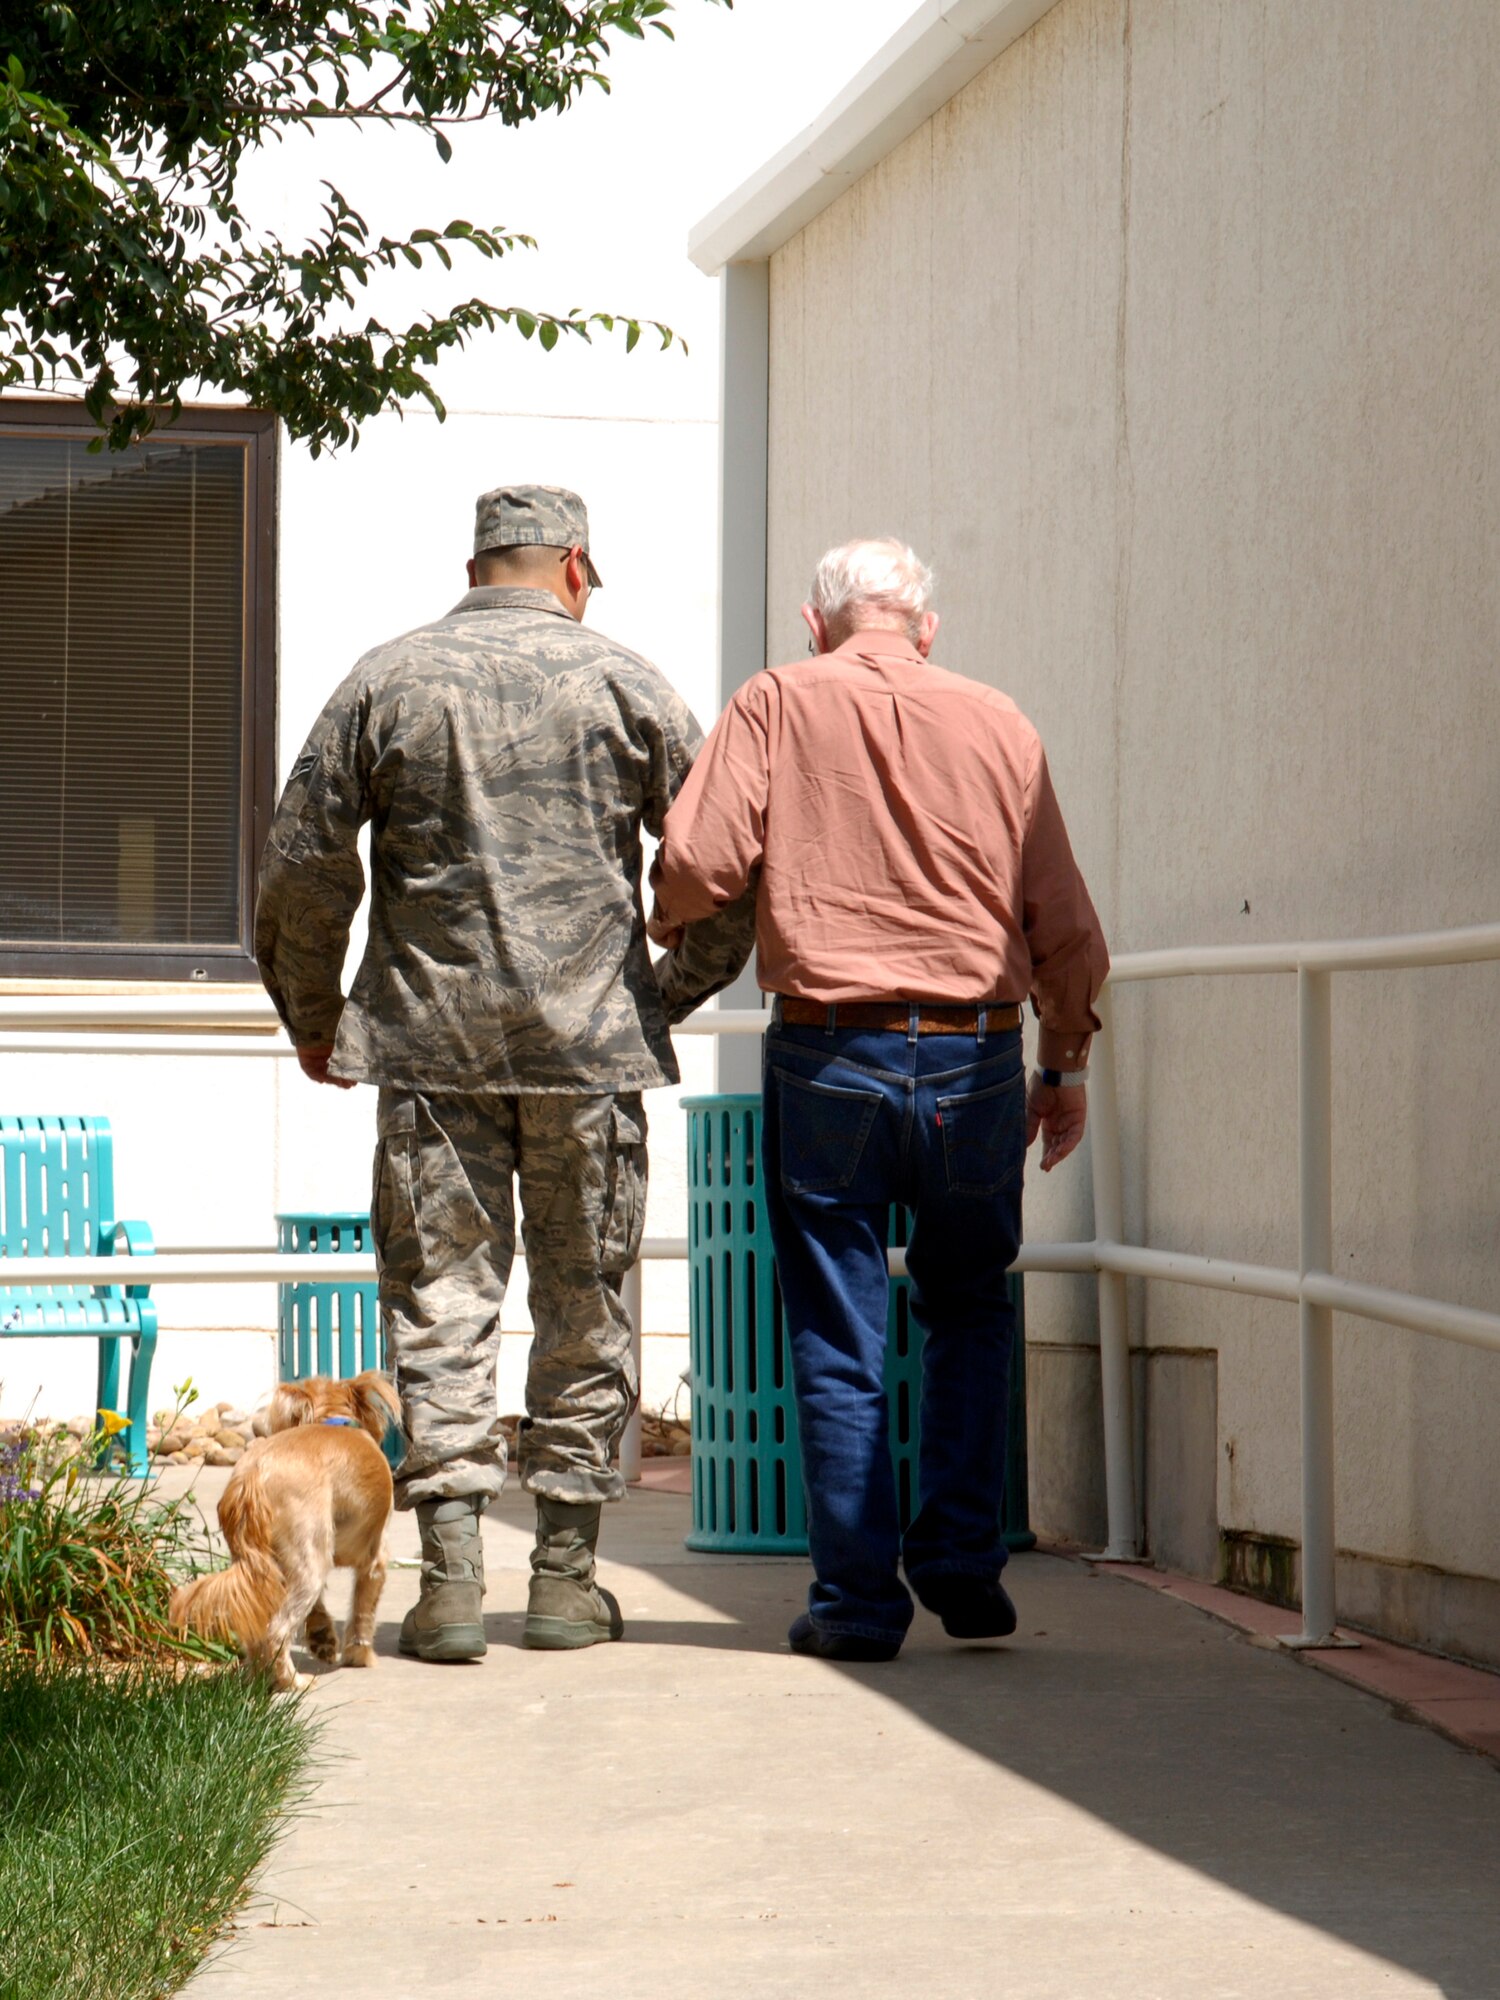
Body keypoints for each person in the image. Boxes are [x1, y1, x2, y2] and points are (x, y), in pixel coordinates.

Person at [255, 485, 752, 1663]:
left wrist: (314, 1016)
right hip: (590, 1054)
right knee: (586, 1304)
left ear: (473, 565)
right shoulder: (630, 686)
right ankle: (568, 1582)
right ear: (576, 564)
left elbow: (303, 863)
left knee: (443, 1301)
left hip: (432, 1051)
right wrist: (657, 999)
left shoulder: (387, 679)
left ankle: (451, 1586)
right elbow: (729, 870)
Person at [649, 537, 1108, 1663]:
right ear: (926, 627)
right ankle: (959, 1558)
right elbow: (1066, 920)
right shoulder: (1000, 721)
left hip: (829, 1050)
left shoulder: (774, 701)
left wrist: (668, 923)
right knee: (969, 1303)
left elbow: (698, 862)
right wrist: (1063, 1063)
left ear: (818, 624)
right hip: (974, 1059)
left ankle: (858, 1602)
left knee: (837, 1326)